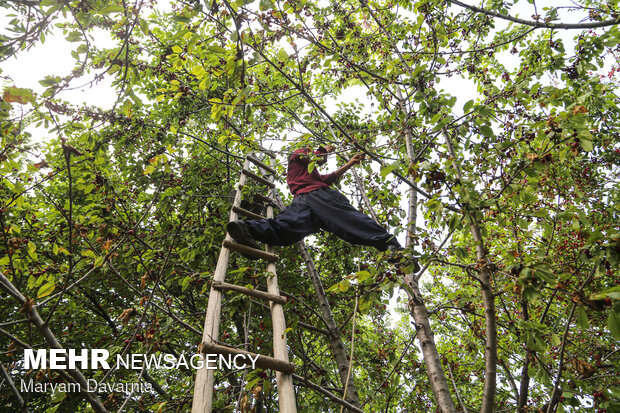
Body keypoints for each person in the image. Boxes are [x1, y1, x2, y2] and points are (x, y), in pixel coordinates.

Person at [226, 145, 403, 259]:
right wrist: (324, 149)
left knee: (288, 226)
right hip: (311, 198)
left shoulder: (308, 174)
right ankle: (246, 230)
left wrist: (349, 164)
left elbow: (327, 178)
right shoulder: (297, 155)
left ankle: (390, 245)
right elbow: (315, 157)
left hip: (310, 197)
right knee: (289, 229)